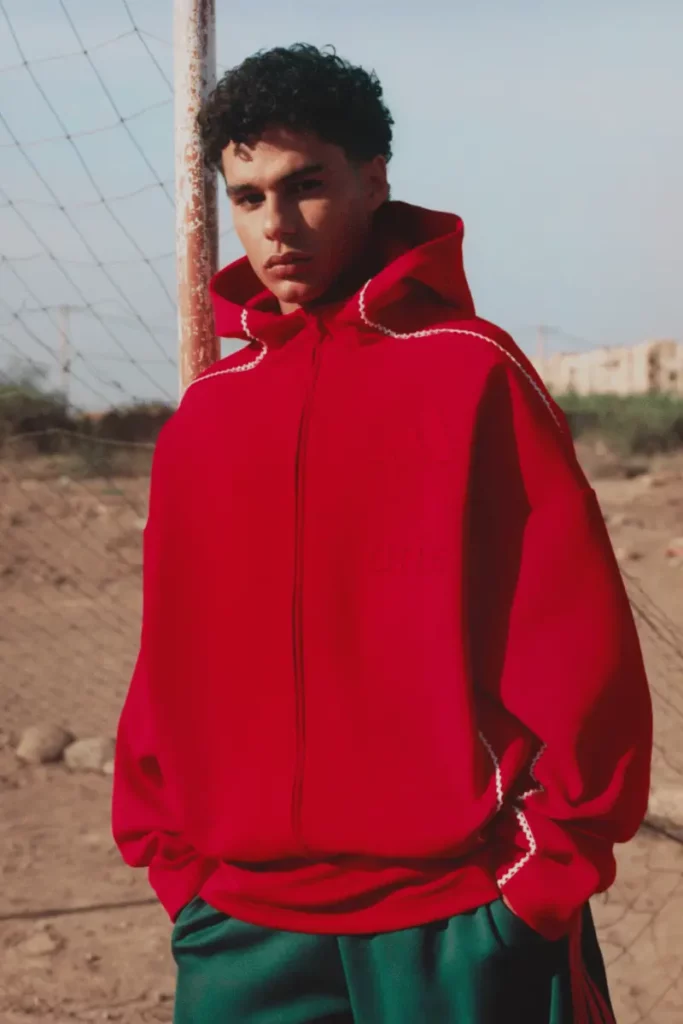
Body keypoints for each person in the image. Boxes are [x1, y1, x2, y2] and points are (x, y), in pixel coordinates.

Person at [112, 43, 652, 1024]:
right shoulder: (207, 415)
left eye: (304, 185)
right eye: (246, 196)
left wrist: (536, 885)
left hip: (454, 920)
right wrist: (176, 864)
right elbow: (170, 662)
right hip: (238, 926)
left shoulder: (472, 374)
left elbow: (574, 646)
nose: (274, 226)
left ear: (372, 178)